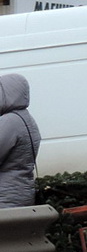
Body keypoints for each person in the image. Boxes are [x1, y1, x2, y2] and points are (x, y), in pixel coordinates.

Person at [0, 74, 41, 208]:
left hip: (5, 196)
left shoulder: (9, 121)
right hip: (22, 190)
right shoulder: (27, 118)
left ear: (7, 94)